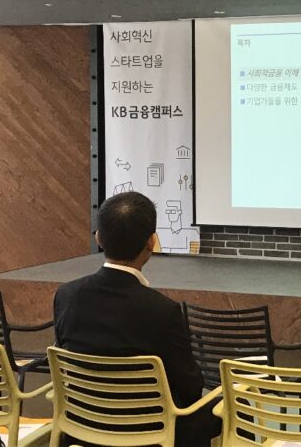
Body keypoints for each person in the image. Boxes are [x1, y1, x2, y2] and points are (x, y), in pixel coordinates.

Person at [53, 191, 221, 446]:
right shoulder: (163, 311)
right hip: (152, 434)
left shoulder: (66, 296)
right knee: (231, 406)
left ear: (98, 238)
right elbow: (190, 388)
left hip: (83, 426)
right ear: (151, 242)